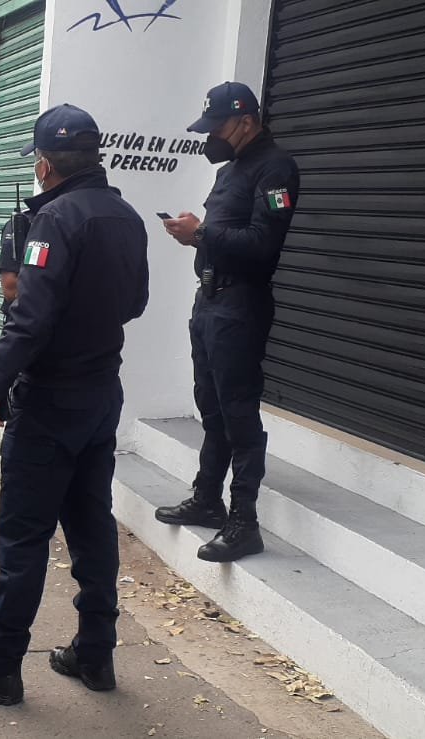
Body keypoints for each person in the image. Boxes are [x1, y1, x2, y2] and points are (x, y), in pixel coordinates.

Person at [0, 104, 150, 706]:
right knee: (91, 528)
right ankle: (96, 653)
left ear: (43, 163)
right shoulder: (127, 216)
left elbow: (29, 320)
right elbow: (134, 302)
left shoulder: (54, 219)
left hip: (51, 400)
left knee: (24, 538)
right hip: (100, 396)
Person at [156, 81, 300, 563]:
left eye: (216, 127)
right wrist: (197, 235)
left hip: (241, 306)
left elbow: (263, 245)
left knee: (238, 413)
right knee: (212, 407)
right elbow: (225, 234)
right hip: (211, 302)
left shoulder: (275, 167)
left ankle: (244, 522)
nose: (210, 136)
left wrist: (204, 233)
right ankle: (207, 499)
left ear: (244, 121)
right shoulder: (233, 166)